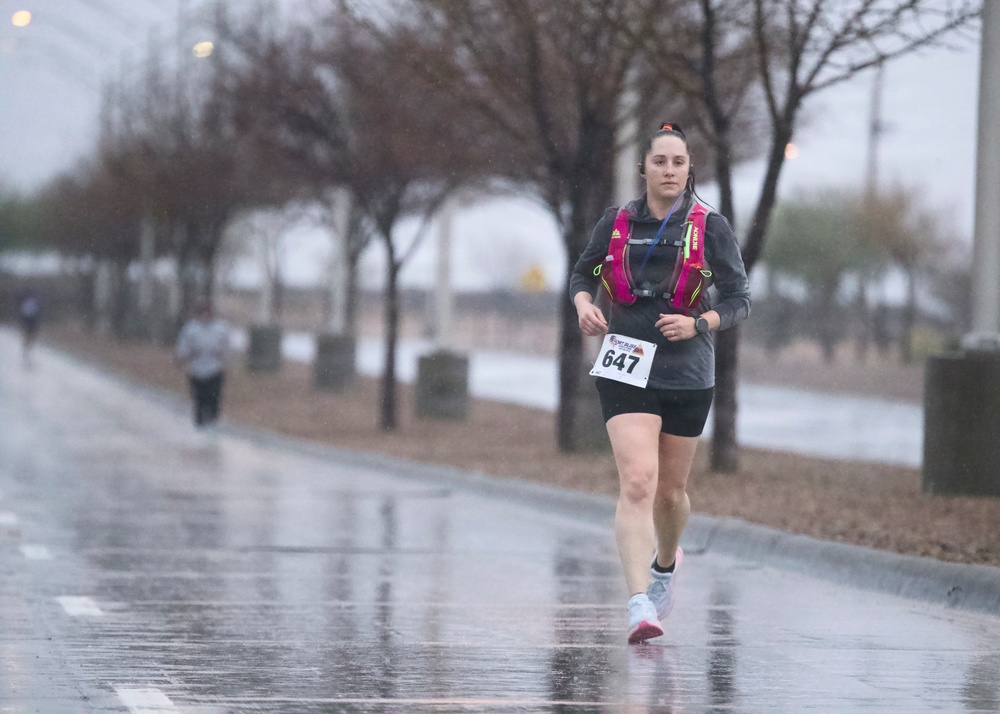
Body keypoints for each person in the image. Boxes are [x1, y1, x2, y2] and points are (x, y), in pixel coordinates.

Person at [570, 122, 751, 644]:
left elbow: (739, 299)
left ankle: (665, 564)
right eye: (659, 161)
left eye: (678, 162)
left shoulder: (709, 225)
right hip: (627, 364)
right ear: (642, 167)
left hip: (689, 372)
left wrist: (699, 323)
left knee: (670, 494)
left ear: (689, 168)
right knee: (637, 483)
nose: (669, 170)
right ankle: (637, 605)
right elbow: (583, 276)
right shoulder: (616, 221)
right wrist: (585, 306)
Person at [175, 298, 232, 428]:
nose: (205, 316)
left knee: (214, 399)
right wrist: (184, 362)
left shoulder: (221, 329)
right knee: (199, 400)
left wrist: (224, 363)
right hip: (196, 370)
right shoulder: (190, 329)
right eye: (202, 313)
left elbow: (227, 348)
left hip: (215, 369)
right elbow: (183, 349)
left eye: (208, 313)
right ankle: (199, 426)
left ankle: (213, 425)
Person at [15, 285, 42, 364]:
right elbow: (23, 311)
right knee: (27, 333)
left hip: (32, 320)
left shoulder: (35, 301)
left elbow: (37, 311)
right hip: (27, 319)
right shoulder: (26, 302)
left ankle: (29, 347)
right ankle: (26, 349)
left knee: (32, 334)